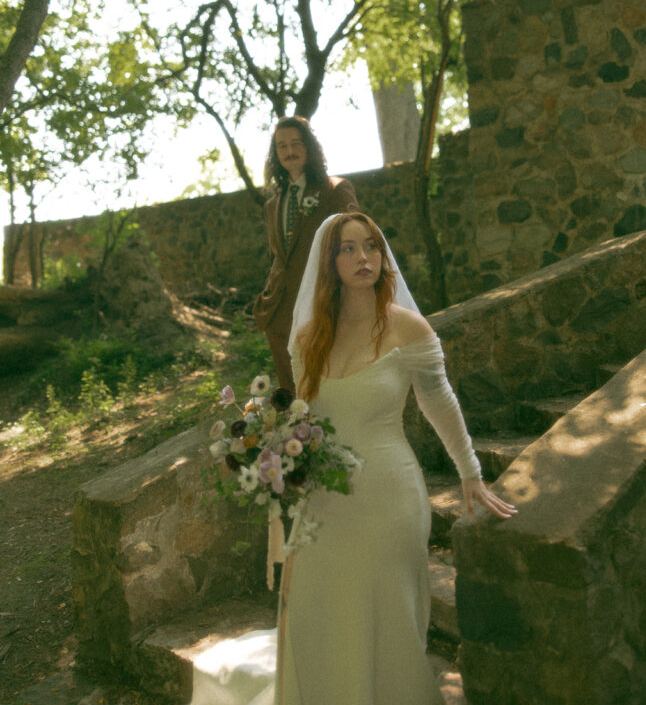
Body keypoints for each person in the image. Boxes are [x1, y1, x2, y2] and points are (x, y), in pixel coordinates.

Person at [192, 212, 516, 705]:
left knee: (389, 623)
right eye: (348, 248)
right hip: (324, 501)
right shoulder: (307, 339)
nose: (363, 257)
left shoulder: (406, 327)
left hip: (391, 499)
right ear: (330, 262)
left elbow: (439, 402)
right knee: (316, 616)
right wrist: (268, 459)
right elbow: (302, 420)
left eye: (371, 246)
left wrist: (471, 473)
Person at [252, 116, 358, 391]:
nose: (289, 151)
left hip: (321, 301)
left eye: (296, 143)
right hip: (279, 310)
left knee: (329, 381)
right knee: (293, 391)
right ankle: (299, 431)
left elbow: (353, 245)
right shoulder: (272, 204)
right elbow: (279, 256)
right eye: (282, 146)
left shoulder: (334, 190)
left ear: (309, 147)